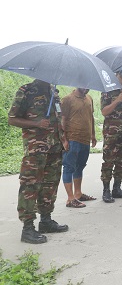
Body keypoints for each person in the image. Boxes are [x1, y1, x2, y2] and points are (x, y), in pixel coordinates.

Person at [8, 80, 69, 244]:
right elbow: (12, 119)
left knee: (50, 184)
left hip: (55, 148)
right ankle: (27, 228)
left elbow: (58, 118)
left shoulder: (54, 93)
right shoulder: (26, 91)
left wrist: (63, 139)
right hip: (36, 150)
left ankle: (46, 220)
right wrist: (36, 123)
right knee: (30, 185)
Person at [100, 72, 122, 203]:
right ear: (116, 74)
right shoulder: (108, 90)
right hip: (111, 133)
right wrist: (118, 100)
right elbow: (104, 112)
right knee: (108, 161)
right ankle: (106, 190)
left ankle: (117, 188)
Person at [61, 87, 97, 208]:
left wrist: (93, 135)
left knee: (80, 166)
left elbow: (91, 117)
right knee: (68, 166)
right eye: (84, 85)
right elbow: (62, 120)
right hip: (72, 138)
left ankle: (78, 193)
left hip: (85, 139)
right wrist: (64, 139)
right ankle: (70, 198)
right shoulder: (67, 99)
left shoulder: (89, 98)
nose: (87, 88)